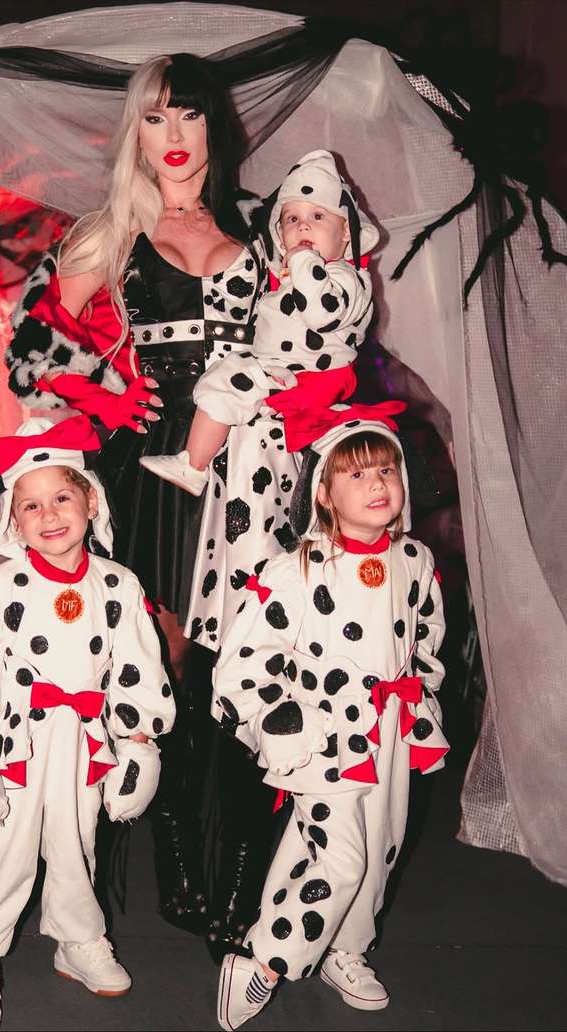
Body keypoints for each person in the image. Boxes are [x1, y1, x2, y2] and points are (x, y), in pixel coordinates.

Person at [4, 53, 289, 959]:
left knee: (250, 671)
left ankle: (241, 882)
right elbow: (28, 352)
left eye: (189, 116)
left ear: (214, 126)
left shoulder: (265, 224)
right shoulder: (110, 232)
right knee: (165, 670)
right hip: (154, 472)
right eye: (156, 118)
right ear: (137, 130)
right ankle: (180, 870)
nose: (173, 136)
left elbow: (320, 331)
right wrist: (102, 394)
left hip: (255, 471)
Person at [0, 414, 175, 1032]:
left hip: (83, 744)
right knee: (2, 851)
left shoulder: (118, 586)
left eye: (62, 498)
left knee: (78, 846)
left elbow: (138, 667)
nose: (49, 515)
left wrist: (138, 742)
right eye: (31, 505)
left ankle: (78, 938)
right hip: (14, 744)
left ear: (91, 501)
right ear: (12, 521)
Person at [211, 407, 450, 1031]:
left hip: (390, 729)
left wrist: (420, 698)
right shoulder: (295, 569)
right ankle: (265, 962)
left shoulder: (415, 559)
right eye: (357, 474)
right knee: (340, 859)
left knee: (376, 846)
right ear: (323, 492)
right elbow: (243, 662)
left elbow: (426, 636)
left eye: (386, 470)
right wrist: (279, 725)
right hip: (322, 736)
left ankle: (346, 948)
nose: (377, 484)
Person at [139, 149, 379, 495]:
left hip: (311, 375)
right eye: (291, 219)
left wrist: (303, 260)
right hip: (280, 367)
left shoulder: (348, 278)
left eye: (317, 216)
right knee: (221, 382)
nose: (303, 225)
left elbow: (321, 312)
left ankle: (194, 466)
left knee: (228, 384)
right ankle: (193, 463)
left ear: (346, 233)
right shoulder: (291, 275)